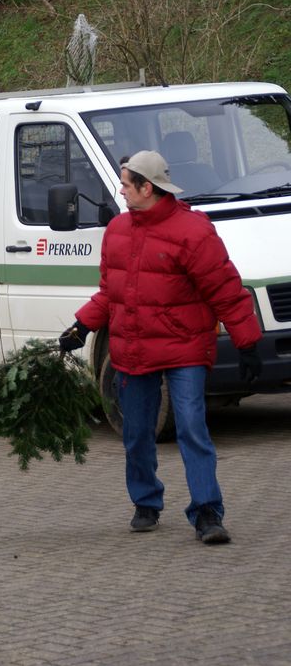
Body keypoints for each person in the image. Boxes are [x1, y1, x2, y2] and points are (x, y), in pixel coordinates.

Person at [58, 150, 262, 545]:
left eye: (125, 184)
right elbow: (110, 294)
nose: (120, 190)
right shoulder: (117, 231)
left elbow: (225, 290)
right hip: (134, 349)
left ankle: (207, 512)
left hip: (184, 348)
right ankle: (146, 502)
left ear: (146, 188)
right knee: (135, 433)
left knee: (191, 427)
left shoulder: (193, 231)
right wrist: (82, 325)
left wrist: (248, 342)